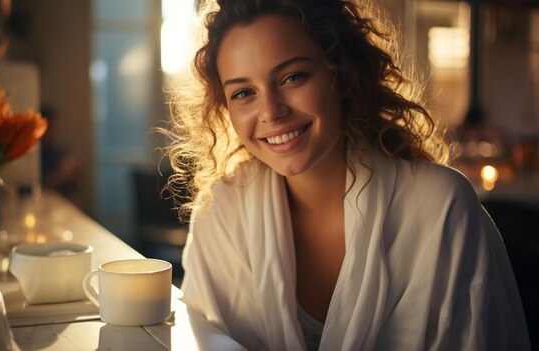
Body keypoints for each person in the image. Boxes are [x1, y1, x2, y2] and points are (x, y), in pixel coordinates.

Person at [163, 0, 531, 350]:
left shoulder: (441, 208)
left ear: (341, 74)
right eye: (243, 92)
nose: (271, 111)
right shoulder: (222, 212)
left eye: (292, 77)